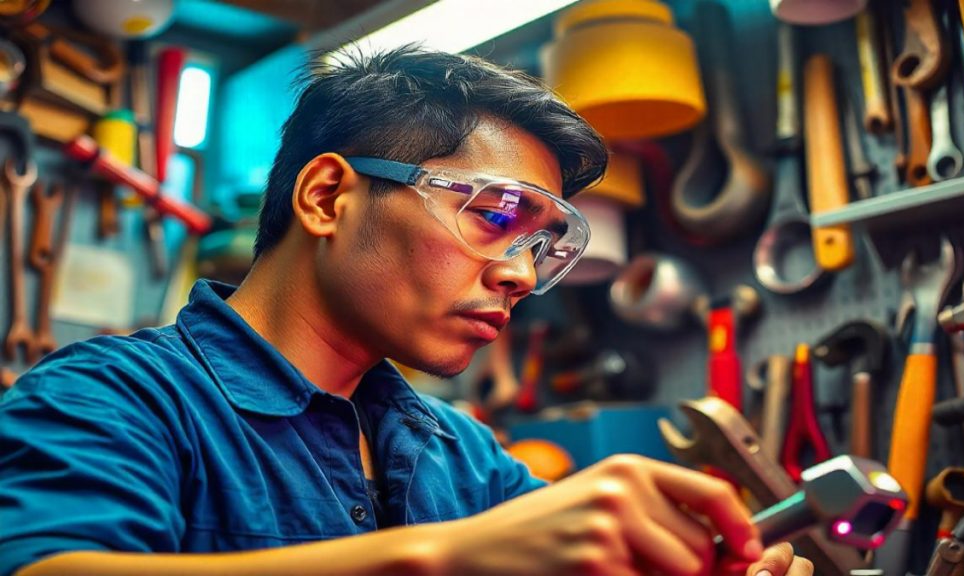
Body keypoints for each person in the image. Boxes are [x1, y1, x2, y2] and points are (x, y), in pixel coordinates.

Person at [0, 46, 813, 576]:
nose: (521, 276)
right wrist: (444, 558)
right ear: (327, 197)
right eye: (496, 218)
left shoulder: (456, 453)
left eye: (540, 246)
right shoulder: (110, 400)